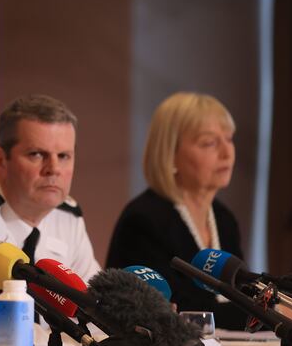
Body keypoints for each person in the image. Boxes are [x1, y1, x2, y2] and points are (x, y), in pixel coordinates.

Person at [0, 94, 101, 329]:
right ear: (0, 160)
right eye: (37, 154)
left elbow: (97, 313)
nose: (53, 169)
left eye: (64, 156)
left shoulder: (68, 216)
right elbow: (0, 327)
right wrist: (80, 341)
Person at [106, 92, 248, 329]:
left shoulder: (224, 220)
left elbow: (244, 293)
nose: (227, 153)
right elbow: (176, 310)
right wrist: (264, 313)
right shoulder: (144, 221)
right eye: (209, 143)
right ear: (170, 154)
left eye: (229, 139)